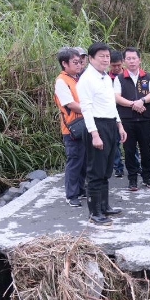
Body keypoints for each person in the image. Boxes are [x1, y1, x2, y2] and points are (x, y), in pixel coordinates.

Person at [76, 42, 127, 226]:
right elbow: (86, 109)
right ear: (91, 58)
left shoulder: (106, 77)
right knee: (95, 171)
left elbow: (111, 104)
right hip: (95, 126)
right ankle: (94, 212)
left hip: (110, 124)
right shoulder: (87, 79)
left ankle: (104, 206)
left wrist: (119, 125)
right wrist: (95, 134)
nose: (106, 59)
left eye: (107, 56)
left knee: (106, 170)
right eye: (101, 56)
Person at [113, 47, 150, 192]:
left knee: (146, 149)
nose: (132, 61)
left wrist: (143, 100)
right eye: (128, 58)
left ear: (139, 60)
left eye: (134, 58)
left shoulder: (147, 76)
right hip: (127, 120)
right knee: (129, 150)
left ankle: (147, 177)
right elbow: (117, 97)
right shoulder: (120, 78)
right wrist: (134, 104)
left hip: (144, 119)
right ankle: (132, 179)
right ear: (124, 61)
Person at [53, 47, 86, 207]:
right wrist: (90, 109)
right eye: (75, 62)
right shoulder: (61, 81)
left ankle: (81, 189)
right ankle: (71, 195)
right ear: (64, 64)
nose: (79, 65)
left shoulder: (76, 78)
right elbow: (70, 104)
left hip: (84, 124)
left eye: (80, 62)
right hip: (72, 128)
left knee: (83, 159)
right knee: (74, 160)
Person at [108, 50, 127, 178]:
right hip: (111, 113)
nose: (116, 68)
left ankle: (135, 165)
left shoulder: (127, 76)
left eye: (118, 65)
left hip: (127, 112)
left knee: (129, 140)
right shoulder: (105, 78)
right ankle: (118, 167)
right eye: (113, 66)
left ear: (122, 63)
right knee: (114, 142)